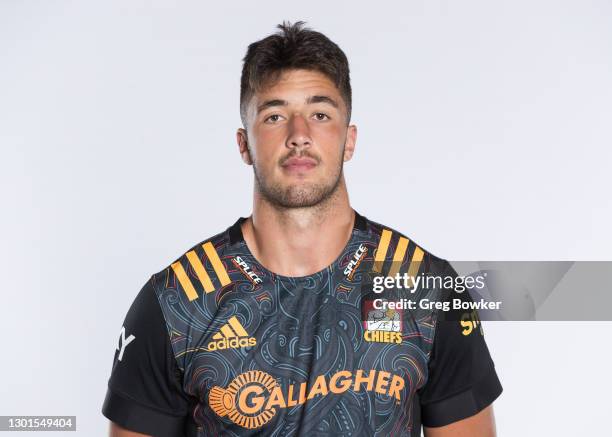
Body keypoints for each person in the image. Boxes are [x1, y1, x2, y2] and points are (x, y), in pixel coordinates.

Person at [102, 21, 502, 437]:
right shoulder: (176, 302)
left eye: (319, 114)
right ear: (244, 144)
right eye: (275, 116)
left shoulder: (425, 286)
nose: (299, 135)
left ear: (349, 140)